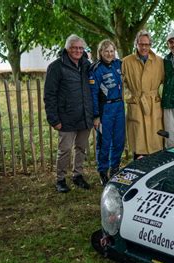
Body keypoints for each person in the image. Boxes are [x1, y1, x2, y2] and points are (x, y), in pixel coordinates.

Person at [44, 34, 93, 193]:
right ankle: (60, 179)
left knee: (81, 148)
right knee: (64, 149)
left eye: (80, 48)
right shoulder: (56, 67)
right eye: (74, 47)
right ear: (67, 48)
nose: (78, 51)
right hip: (66, 118)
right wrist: (54, 119)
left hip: (85, 115)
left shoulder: (87, 65)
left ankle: (77, 175)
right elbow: (49, 95)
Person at [122, 30, 164, 159]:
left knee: (155, 139)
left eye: (147, 44)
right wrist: (129, 97)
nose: (144, 47)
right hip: (137, 104)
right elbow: (119, 84)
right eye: (141, 44)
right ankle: (138, 165)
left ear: (150, 44)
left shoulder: (159, 61)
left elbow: (167, 82)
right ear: (136, 44)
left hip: (153, 105)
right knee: (138, 137)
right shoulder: (126, 61)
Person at [89, 40, 125, 185]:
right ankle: (103, 171)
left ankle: (115, 168)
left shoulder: (118, 64)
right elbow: (93, 94)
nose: (109, 54)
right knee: (104, 142)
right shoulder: (96, 69)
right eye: (106, 51)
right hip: (105, 110)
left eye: (111, 51)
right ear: (100, 53)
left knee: (119, 141)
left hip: (119, 106)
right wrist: (96, 115)